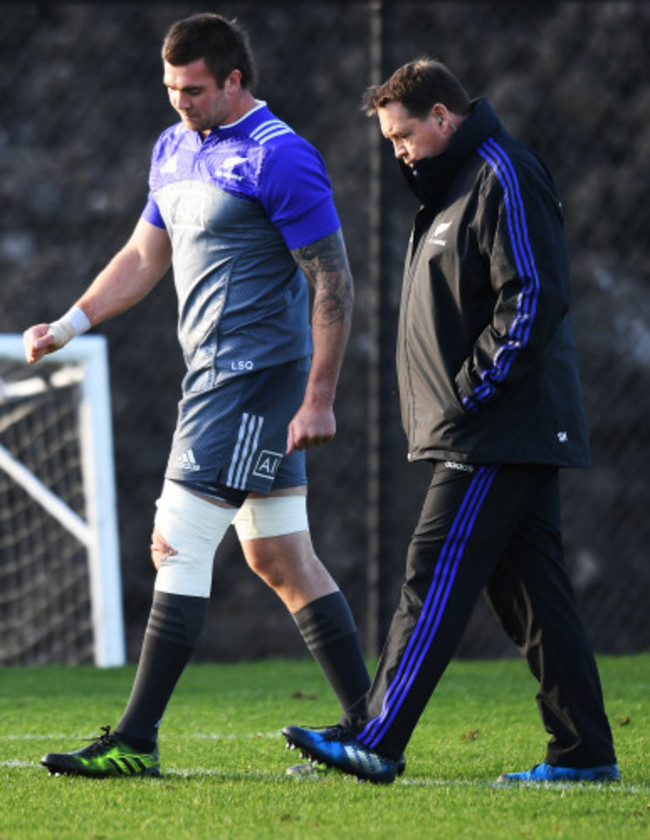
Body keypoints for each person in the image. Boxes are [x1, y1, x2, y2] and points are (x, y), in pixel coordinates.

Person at [25, 12, 371, 778]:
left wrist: (318, 396)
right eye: (170, 87)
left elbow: (333, 281)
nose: (178, 101)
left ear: (235, 81)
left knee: (177, 540)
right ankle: (365, 725)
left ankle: (135, 741)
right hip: (208, 377)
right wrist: (74, 321)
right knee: (279, 555)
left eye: (193, 89)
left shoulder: (282, 158)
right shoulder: (174, 146)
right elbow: (146, 254)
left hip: (254, 380)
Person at [283, 58, 620, 784]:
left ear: (443, 117)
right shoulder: (449, 187)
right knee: (533, 594)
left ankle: (376, 738)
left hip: (496, 425)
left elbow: (532, 295)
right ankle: (585, 752)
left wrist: (470, 394)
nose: (398, 150)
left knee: (431, 572)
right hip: (490, 425)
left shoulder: (503, 173)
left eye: (403, 135)